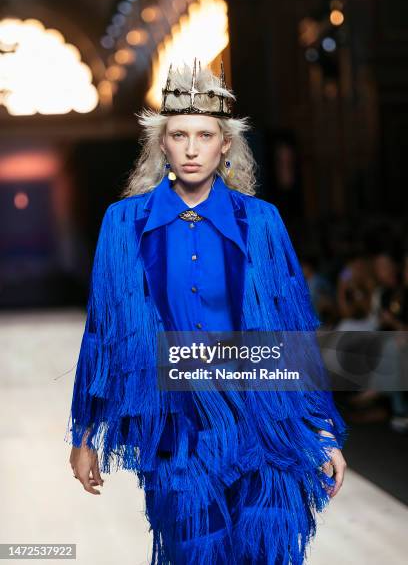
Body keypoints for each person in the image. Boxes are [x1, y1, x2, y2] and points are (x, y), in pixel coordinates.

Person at [67, 60, 348, 564]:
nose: (192, 148)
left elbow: (293, 329)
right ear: (161, 144)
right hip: (176, 425)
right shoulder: (124, 224)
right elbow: (102, 333)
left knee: (264, 550)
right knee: (194, 551)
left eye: (205, 135)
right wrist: (86, 433)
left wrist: (322, 432)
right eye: (179, 135)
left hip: (263, 417)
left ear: (226, 146)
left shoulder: (260, 222)